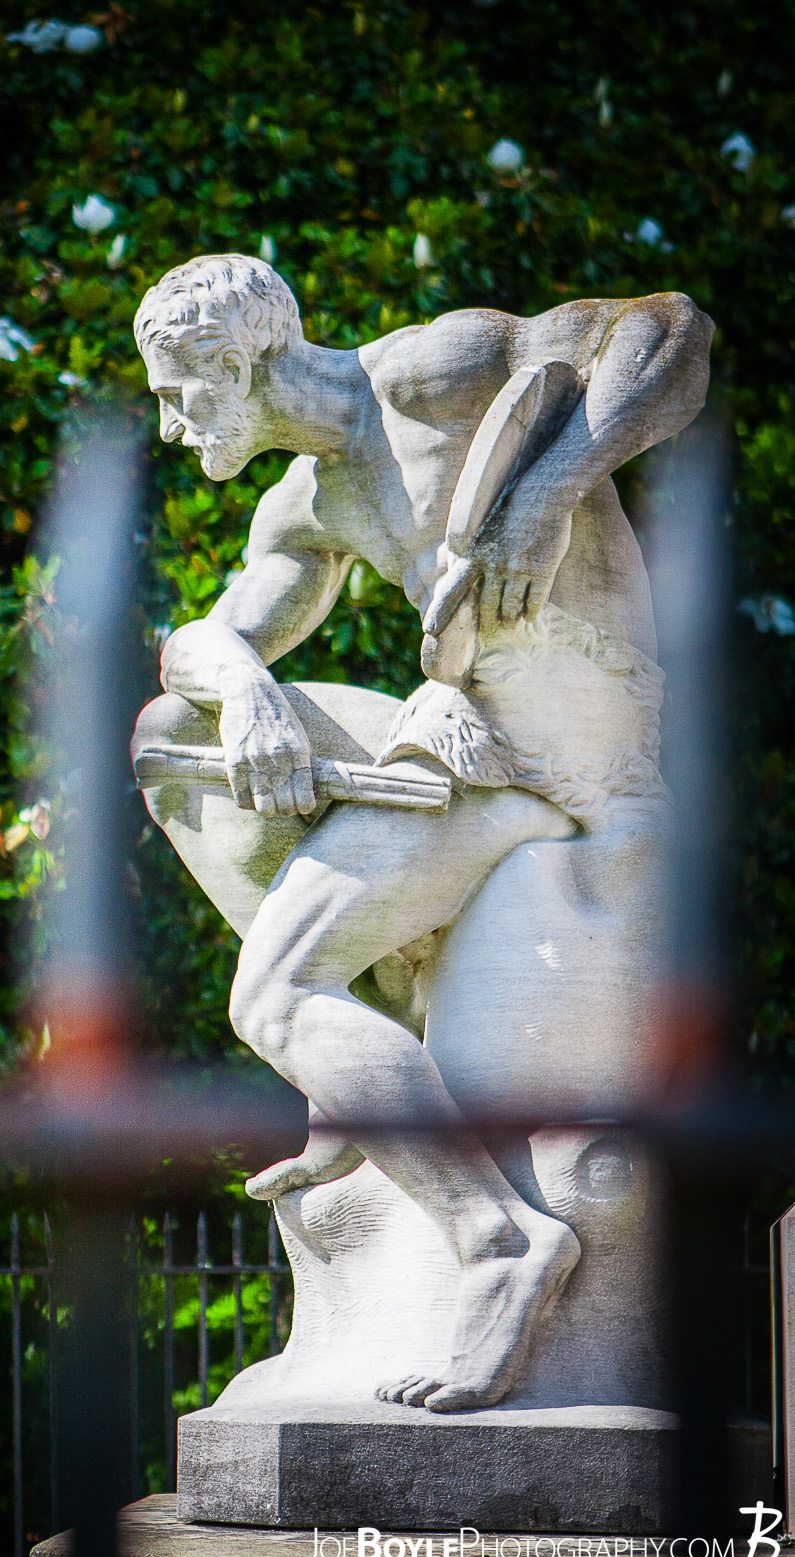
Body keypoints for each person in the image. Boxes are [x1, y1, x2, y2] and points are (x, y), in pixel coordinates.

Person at [132, 254, 713, 1412]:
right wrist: (245, 689)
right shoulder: (305, 502)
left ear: (242, 361)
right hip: (464, 727)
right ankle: (372, 1050)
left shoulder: (428, 372)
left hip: (564, 745)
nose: (167, 422)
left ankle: (497, 1238)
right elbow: (195, 641)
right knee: (169, 733)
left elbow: (670, 335)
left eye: (179, 391)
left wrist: (549, 491)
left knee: (272, 995)